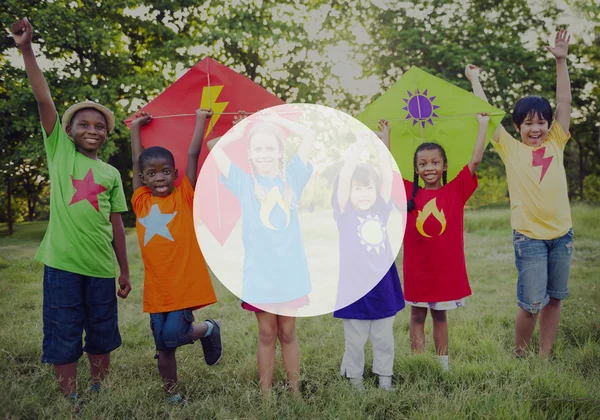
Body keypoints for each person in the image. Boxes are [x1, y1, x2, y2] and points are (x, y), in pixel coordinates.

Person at [11, 17, 131, 401]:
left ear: (107, 135)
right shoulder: (60, 152)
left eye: (99, 125)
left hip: (99, 267)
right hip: (62, 265)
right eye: (84, 123)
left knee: (100, 329)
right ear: (69, 130)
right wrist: (27, 49)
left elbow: (116, 224)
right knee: (63, 328)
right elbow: (44, 99)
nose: (92, 129)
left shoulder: (111, 173)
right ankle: (69, 396)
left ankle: (99, 387)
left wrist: (124, 269)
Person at [466, 29, 573, 357]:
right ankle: (520, 353)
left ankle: (545, 354)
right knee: (531, 304)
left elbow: (565, 101)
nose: (536, 128)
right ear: (517, 127)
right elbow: (485, 109)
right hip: (529, 238)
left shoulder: (556, 141)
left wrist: (561, 61)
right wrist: (474, 79)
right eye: (528, 123)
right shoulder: (509, 148)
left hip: (562, 236)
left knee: (555, 298)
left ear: (550, 125)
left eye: (541, 122)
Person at [209, 109, 315, 395]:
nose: (265, 153)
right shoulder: (243, 182)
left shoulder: (292, 177)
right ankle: (266, 395)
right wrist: (244, 129)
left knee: (288, 333)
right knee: (267, 334)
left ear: (281, 152)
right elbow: (213, 147)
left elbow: (308, 135)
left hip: (290, 272)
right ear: (250, 154)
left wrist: (270, 120)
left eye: (271, 147)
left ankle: (295, 392)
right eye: (258, 148)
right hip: (260, 274)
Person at [130, 109, 221, 403]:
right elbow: (135, 160)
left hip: (183, 284)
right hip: (157, 289)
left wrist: (200, 121)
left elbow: (192, 154)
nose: (160, 177)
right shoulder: (141, 201)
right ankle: (171, 393)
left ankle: (207, 329)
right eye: (152, 173)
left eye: (166, 171)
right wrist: (135, 130)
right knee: (163, 343)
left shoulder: (184, 196)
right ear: (143, 177)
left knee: (173, 335)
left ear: (175, 173)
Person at [401, 111, 489, 371]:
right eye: (423, 164)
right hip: (417, 269)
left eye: (435, 162)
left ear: (445, 166)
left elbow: (475, 160)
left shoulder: (456, 190)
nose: (429, 168)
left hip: (443, 270)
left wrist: (482, 125)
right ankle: (418, 365)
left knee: (440, 315)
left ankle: (442, 366)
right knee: (416, 315)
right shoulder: (408, 192)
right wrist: (386, 137)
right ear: (416, 169)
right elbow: (387, 170)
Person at [332, 121, 405, 391]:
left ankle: (385, 379)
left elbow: (386, 177)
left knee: (384, 338)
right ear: (348, 193)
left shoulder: (381, 210)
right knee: (355, 340)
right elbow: (343, 178)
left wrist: (379, 145)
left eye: (368, 188)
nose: (364, 194)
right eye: (358, 189)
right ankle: (356, 380)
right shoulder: (345, 214)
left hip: (383, 287)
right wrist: (359, 146)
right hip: (354, 289)